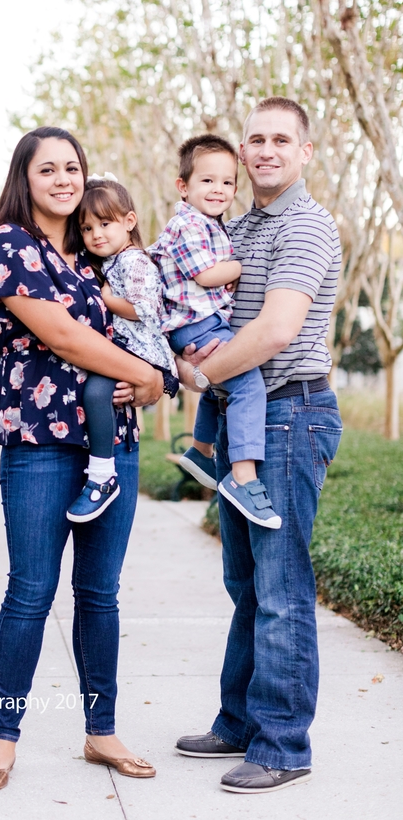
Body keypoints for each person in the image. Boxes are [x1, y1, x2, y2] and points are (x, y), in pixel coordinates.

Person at [0, 126, 163, 791]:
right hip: (40, 443)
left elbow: (141, 314)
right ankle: (3, 739)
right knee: (31, 590)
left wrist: (150, 374)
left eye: (73, 167)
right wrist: (147, 373)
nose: (63, 178)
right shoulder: (9, 245)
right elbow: (62, 335)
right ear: (24, 178)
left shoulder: (93, 252)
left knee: (99, 593)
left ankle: (101, 731)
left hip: (112, 442)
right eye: (48, 168)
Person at [174, 97, 342, 793]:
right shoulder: (236, 226)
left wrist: (193, 377)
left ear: (305, 152)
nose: (267, 150)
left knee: (280, 586)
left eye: (282, 139)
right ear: (242, 154)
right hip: (245, 419)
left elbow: (275, 332)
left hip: (290, 415)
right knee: (245, 583)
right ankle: (240, 721)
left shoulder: (306, 225)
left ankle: (282, 744)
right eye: (256, 140)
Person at [149, 135, 281, 530]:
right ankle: (244, 478)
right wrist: (246, 265)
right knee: (247, 384)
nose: (218, 190)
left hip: (201, 321)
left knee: (221, 384)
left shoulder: (207, 223)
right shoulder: (188, 223)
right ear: (183, 186)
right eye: (207, 181)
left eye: (227, 183)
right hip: (196, 323)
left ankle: (201, 450)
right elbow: (206, 274)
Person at [66, 177, 178, 523]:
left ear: (129, 223)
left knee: (99, 392)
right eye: (86, 228)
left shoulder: (134, 261)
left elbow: (145, 308)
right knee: (101, 393)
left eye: (105, 223)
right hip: (130, 350)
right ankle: (101, 472)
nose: (96, 234)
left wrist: (105, 299)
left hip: (143, 351)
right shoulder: (112, 261)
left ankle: (102, 475)